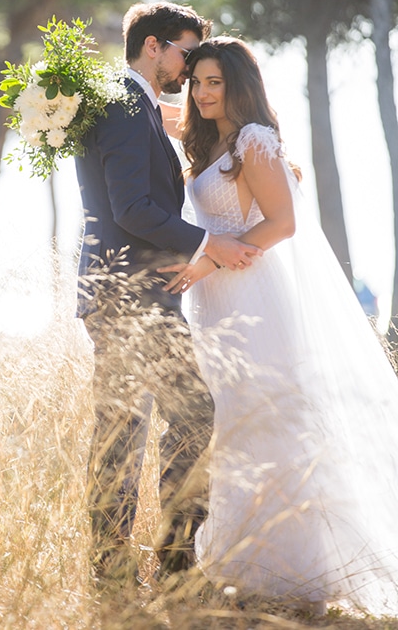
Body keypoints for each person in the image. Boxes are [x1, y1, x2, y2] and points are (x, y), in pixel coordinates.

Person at [159, 37, 398, 616]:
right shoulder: (211, 139)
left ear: (239, 85)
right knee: (234, 426)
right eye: (198, 82)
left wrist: (209, 261)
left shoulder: (254, 142)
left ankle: (301, 570)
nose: (204, 92)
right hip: (215, 300)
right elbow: (149, 107)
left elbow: (283, 224)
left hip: (254, 296)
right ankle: (247, 560)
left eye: (216, 82)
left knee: (266, 423)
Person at [74, 2, 261, 585]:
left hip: (122, 291)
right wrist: (212, 244)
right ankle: (170, 563)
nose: (188, 67)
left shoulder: (135, 104)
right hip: (131, 295)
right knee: (189, 418)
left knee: (123, 430)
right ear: (152, 46)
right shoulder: (128, 106)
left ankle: (124, 565)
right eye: (184, 52)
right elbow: (133, 209)